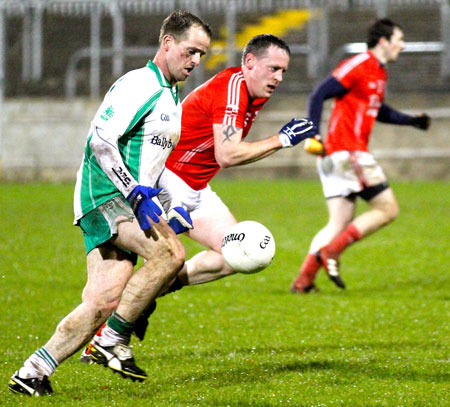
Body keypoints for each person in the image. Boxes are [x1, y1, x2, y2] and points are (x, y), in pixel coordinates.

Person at [8, 10, 212, 397]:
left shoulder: (170, 93)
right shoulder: (140, 84)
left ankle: (33, 371)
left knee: (101, 302)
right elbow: (101, 140)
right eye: (190, 51)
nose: (196, 61)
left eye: (202, 54)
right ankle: (110, 342)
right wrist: (133, 191)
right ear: (166, 42)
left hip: (125, 200)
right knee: (171, 253)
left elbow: (151, 164)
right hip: (106, 195)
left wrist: (168, 204)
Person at [81, 34, 317, 352]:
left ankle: (139, 303)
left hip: (194, 185)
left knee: (233, 255)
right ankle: (112, 329)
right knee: (188, 256)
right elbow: (228, 155)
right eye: (274, 68)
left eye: (283, 72)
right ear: (250, 63)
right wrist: (282, 139)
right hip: (169, 180)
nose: (279, 77)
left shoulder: (253, 91)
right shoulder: (234, 89)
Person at [290, 18, 431, 294]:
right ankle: (332, 252)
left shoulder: (379, 72)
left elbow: (380, 110)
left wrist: (411, 121)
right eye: (399, 40)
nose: (402, 46)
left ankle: (304, 281)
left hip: (337, 156)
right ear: (384, 41)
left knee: (338, 222)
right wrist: (313, 133)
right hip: (347, 152)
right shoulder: (360, 64)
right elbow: (319, 93)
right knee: (388, 209)